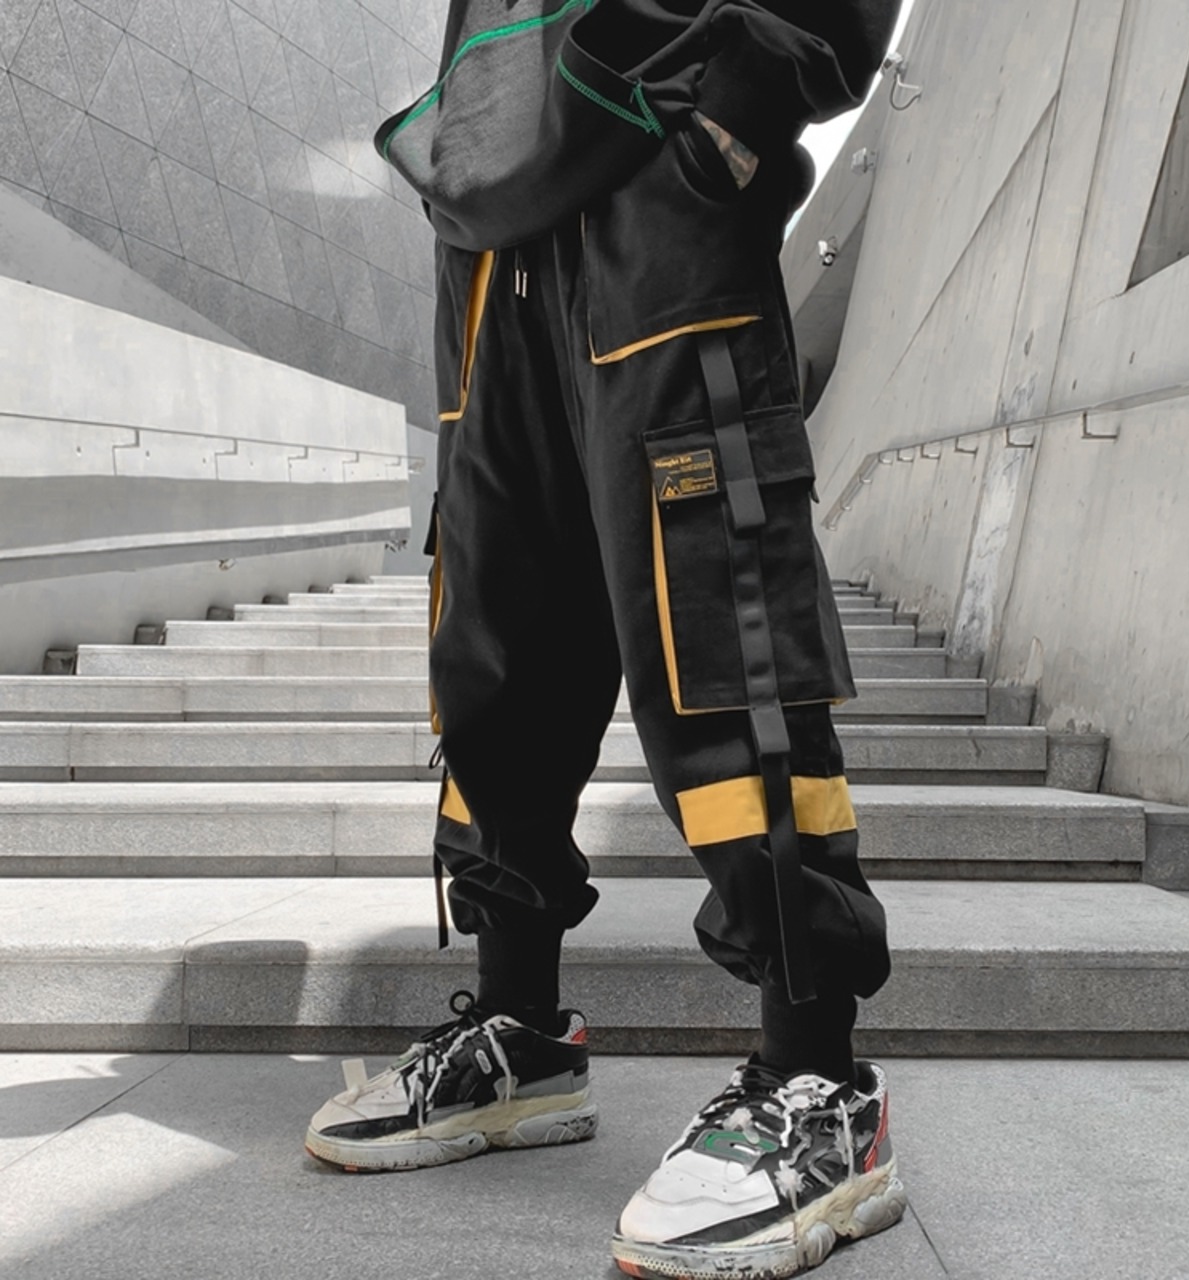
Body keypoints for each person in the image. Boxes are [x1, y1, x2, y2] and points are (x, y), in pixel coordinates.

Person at [306, 2, 905, 1275]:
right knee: (494, 648)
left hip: (661, 202)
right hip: (493, 249)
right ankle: (519, 1033)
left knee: (719, 627)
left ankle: (817, 1085)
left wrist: (739, 114)